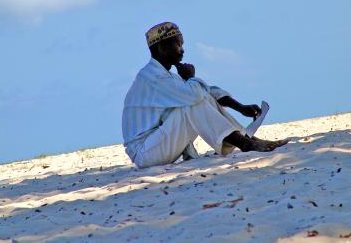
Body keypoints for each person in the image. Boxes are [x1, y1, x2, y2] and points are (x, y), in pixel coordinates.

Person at [122, 22, 288, 168]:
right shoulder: (154, 79)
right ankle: (245, 142)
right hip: (145, 153)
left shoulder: (166, 76)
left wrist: (240, 107)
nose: (182, 50)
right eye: (178, 44)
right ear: (161, 48)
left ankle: (246, 139)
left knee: (195, 95)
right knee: (191, 101)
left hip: (156, 146)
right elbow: (194, 95)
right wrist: (191, 78)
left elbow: (207, 91)